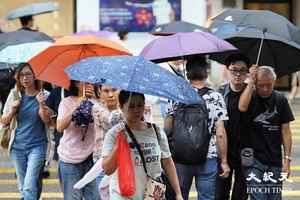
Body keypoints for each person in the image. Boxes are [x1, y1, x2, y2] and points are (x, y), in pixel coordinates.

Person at [164, 56, 230, 200]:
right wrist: (224, 161)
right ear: (206, 73)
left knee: (179, 195)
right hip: (208, 156)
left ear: (187, 74)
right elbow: (220, 134)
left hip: (181, 156)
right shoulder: (216, 97)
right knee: (206, 197)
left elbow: (167, 128)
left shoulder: (176, 95)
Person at [102, 90, 183, 200]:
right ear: (121, 107)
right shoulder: (114, 134)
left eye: (139, 105)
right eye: (131, 106)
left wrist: (178, 193)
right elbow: (107, 170)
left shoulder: (156, 131)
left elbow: (168, 163)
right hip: (123, 195)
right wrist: (118, 147)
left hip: (152, 194)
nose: (136, 110)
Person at [239, 65, 294, 200]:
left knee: (274, 196)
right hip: (252, 159)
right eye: (261, 85)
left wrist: (287, 160)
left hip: (274, 159)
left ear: (274, 82)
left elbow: (286, 131)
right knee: (258, 196)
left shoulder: (280, 100)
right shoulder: (250, 96)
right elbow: (241, 107)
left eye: (268, 85)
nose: (265, 89)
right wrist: (250, 81)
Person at [0, 63, 51, 200]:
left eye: (28, 74)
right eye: (21, 75)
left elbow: (49, 121)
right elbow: (4, 121)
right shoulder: (15, 94)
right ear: (18, 78)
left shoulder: (45, 96)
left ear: (35, 76)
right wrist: (13, 110)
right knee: (24, 188)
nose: (25, 78)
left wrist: (41, 104)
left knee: (29, 186)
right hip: (18, 147)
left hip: (38, 147)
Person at [56, 81, 99, 200]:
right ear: (76, 84)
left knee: (95, 197)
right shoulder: (66, 102)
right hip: (69, 159)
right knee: (72, 197)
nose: (87, 83)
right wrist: (77, 106)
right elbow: (59, 127)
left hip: (91, 158)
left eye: (90, 80)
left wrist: (96, 100)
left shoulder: (96, 103)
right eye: (82, 80)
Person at [216, 53, 250, 200]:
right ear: (227, 70)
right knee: (221, 192)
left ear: (247, 72)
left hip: (247, 150)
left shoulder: (252, 92)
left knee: (242, 192)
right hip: (225, 149)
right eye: (234, 69)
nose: (238, 74)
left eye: (242, 70)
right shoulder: (220, 93)